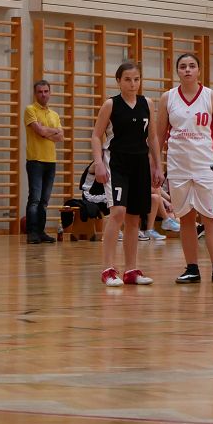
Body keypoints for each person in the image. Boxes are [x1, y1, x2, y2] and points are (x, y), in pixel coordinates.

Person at [155, 51, 213, 285]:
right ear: (177, 71)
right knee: (186, 218)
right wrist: (156, 166)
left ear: (199, 70)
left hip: (205, 166)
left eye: (192, 66)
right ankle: (191, 268)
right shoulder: (168, 98)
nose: (187, 70)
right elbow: (158, 136)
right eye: (183, 66)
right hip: (178, 167)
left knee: (211, 218)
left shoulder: (212, 97)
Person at [92, 60, 162, 286]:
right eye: (128, 80)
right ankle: (108, 269)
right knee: (118, 212)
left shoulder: (147, 103)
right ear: (118, 81)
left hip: (140, 163)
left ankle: (131, 270)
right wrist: (99, 163)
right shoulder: (110, 105)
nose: (133, 84)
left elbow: (152, 137)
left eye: (136, 79)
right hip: (117, 163)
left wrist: (158, 165)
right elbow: (96, 136)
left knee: (134, 217)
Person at [24, 80, 64, 245]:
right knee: (35, 199)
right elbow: (39, 130)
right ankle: (32, 233)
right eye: (40, 92)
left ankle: (41, 232)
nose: (43, 94)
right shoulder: (30, 110)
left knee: (44, 201)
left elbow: (61, 137)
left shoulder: (54, 114)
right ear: (35, 94)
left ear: (50, 93)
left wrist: (47, 131)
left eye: (46, 91)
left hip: (50, 161)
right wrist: (52, 132)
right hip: (35, 160)